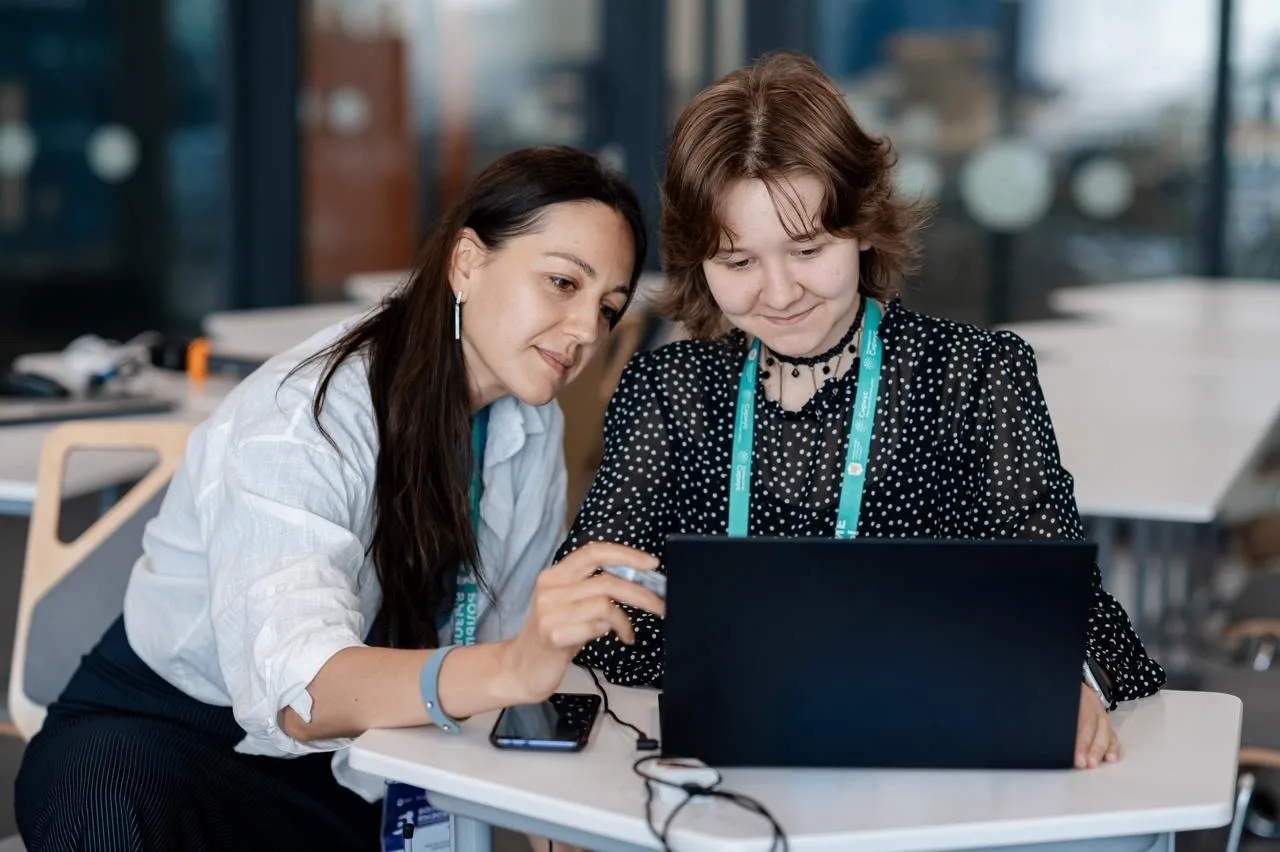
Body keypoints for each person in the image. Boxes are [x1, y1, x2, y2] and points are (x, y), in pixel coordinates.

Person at [15, 146, 665, 851]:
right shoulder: (305, 415)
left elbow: (503, 680)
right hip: (165, 740)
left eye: (608, 308)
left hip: (358, 756)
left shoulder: (526, 422)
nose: (586, 330)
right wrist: (512, 666)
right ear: (467, 262)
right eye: (562, 282)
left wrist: (553, 811)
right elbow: (304, 694)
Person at [560, 53, 1165, 770]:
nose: (778, 293)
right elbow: (596, 610)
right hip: (721, 776)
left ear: (865, 225)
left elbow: (1074, 609)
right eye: (738, 262)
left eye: (807, 249)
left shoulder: (972, 377)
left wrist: (1068, 676)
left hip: (928, 769)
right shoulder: (672, 389)